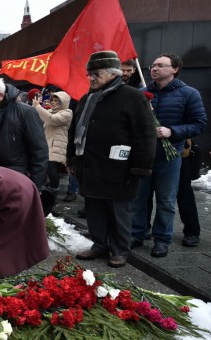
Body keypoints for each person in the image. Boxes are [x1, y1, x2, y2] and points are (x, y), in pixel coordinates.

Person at [68, 50, 156, 268]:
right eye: (89, 74)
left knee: (119, 213)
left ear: (112, 73)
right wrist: (72, 158)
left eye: (96, 74)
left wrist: (139, 168)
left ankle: (119, 251)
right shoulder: (86, 99)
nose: (91, 78)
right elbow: (75, 130)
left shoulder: (133, 97)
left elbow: (145, 135)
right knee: (95, 210)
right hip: (90, 166)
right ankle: (99, 245)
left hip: (119, 169)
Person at [130, 53, 207, 256]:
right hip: (144, 154)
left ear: (175, 69)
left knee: (166, 200)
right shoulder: (142, 93)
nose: (154, 69)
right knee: (139, 198)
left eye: (160, 65)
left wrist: (173, 131)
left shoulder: (189, 94)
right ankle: (137, 234)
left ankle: (162, 239)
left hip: (171, 156)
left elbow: (199, 124)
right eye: (152, 65)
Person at [32, 91, 73, 195]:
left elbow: (52, 119)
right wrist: (34, 106)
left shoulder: (67, 113)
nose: (53, 102)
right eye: (52, 100)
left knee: (52, 171)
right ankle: (46, 192)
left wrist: (38, 107)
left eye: (56, 100)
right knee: (45, 170)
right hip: (47, 145)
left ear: (63, 102)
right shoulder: (49, 111)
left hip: (56, 146)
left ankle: (54, 192)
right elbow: (37, 119)